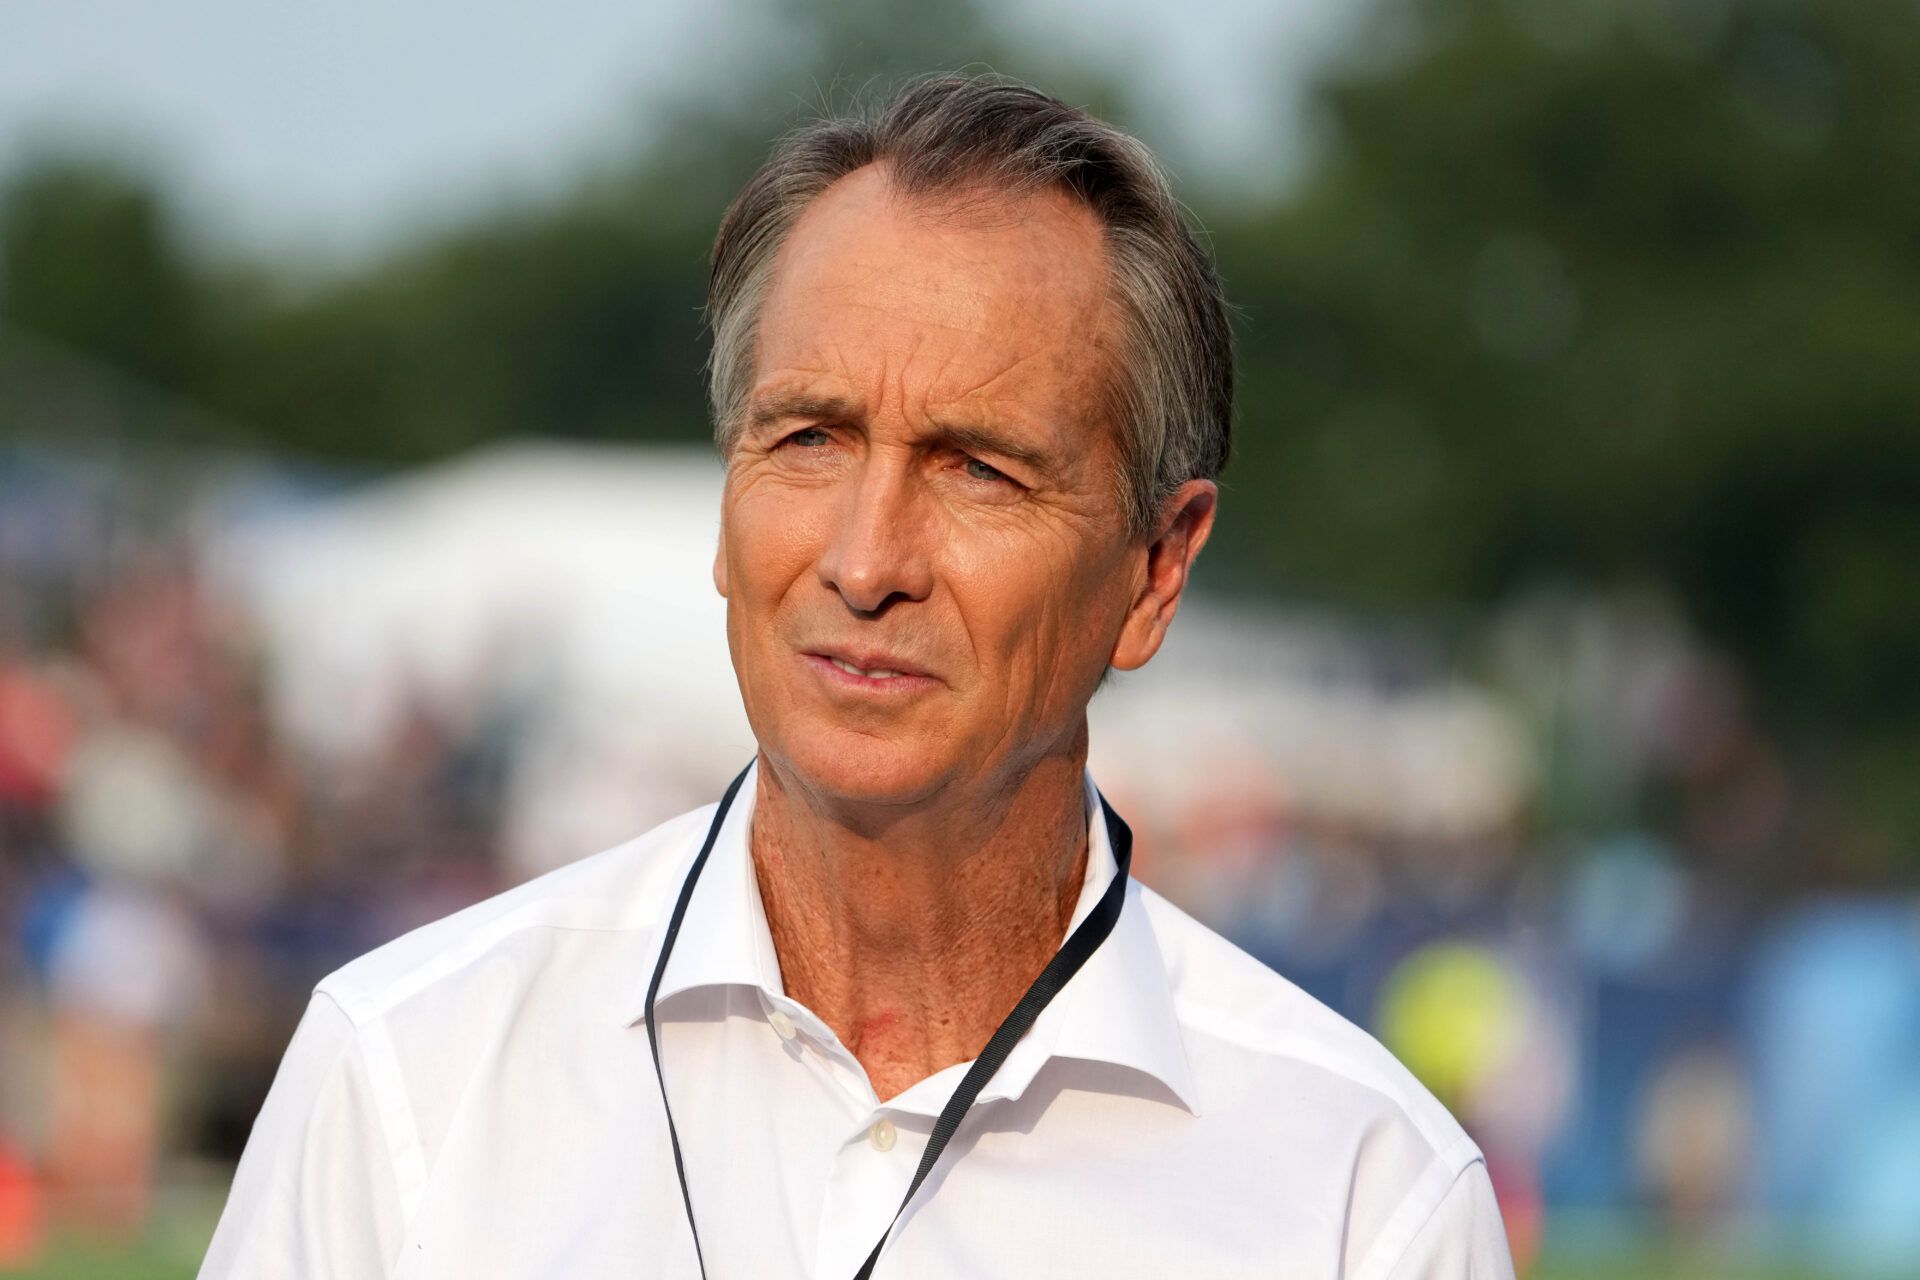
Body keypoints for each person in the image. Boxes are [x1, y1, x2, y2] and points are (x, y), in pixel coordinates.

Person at [200, 74, 1515, 1279]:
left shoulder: (1359, 1197)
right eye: (810, 439)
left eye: (977, 467)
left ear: (1156, 569)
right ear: (726, 507)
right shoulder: (409, 1082)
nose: (866, 558)